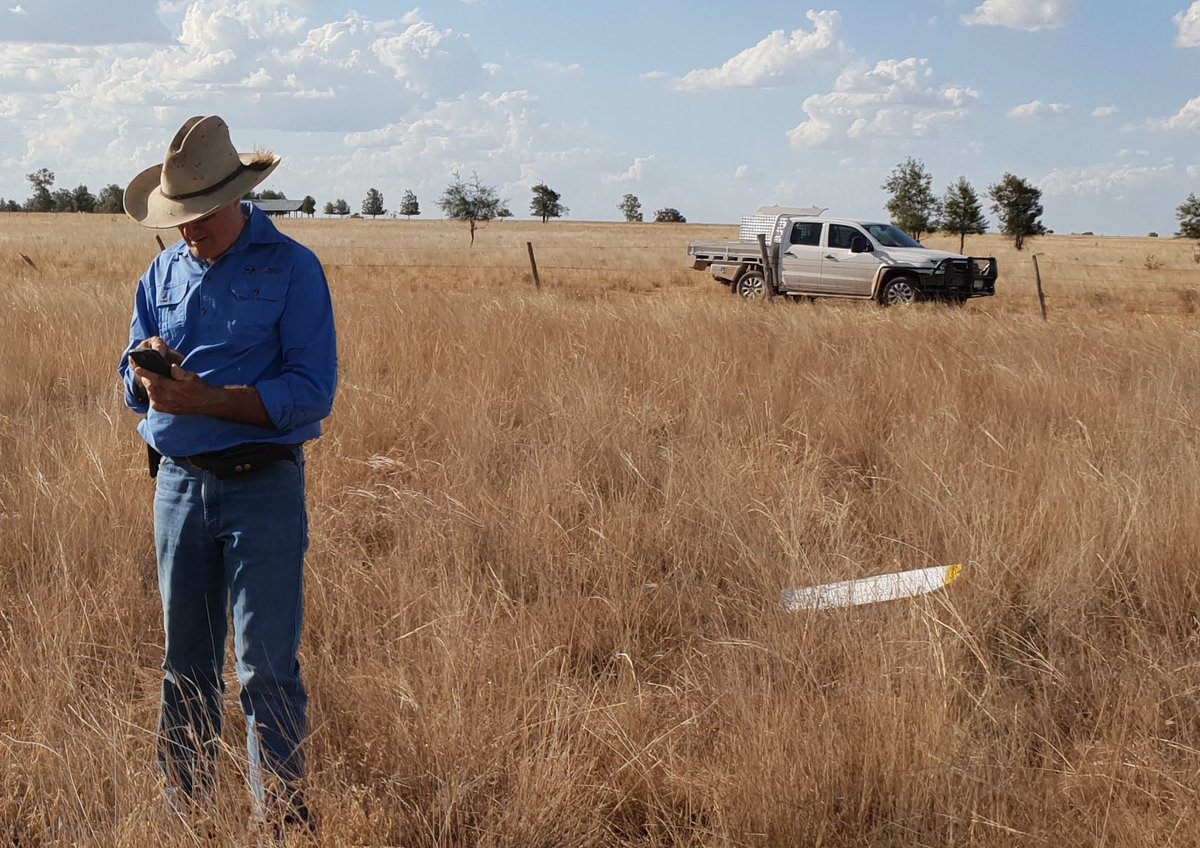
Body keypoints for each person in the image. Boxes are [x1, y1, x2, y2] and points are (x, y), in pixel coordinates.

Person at [118, 115, 337, 829]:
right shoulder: (163, 272)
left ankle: (280, 824)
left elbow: (311, 392)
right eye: (177, 218)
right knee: (185, 667)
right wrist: (144, 370)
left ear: (237, 200)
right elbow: (125, 382)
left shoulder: (293, 269)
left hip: (262, 486)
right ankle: (185, 819)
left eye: (199, 217)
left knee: (265, 669)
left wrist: (208, 399)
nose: (188, 231)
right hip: (178, 485)